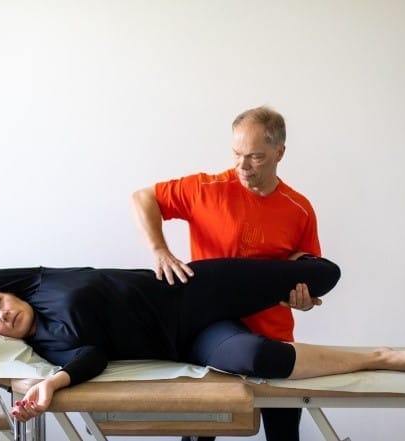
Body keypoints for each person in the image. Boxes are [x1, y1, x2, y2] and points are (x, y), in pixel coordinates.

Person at [0, 258, 405, 424]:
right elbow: (92, 358)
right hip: (192, 340)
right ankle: (381, 356)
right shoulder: (50, 350)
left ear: (1, 290)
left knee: (324, 273)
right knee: (258, 358)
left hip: (192, 286)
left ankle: (282, 267)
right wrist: (52, 383)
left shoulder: (35, 279)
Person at [131, 106, 323, 441]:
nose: (242, 166)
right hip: (209, 337)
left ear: (280, 153)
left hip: (272, 339)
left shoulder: (299, 209)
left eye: (256, 157)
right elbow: (143, 197)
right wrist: (160, 251)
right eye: (237, 154)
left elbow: (308, 275)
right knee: (199, 437)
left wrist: (305, 301)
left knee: (284, 436)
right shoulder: (207, 189)